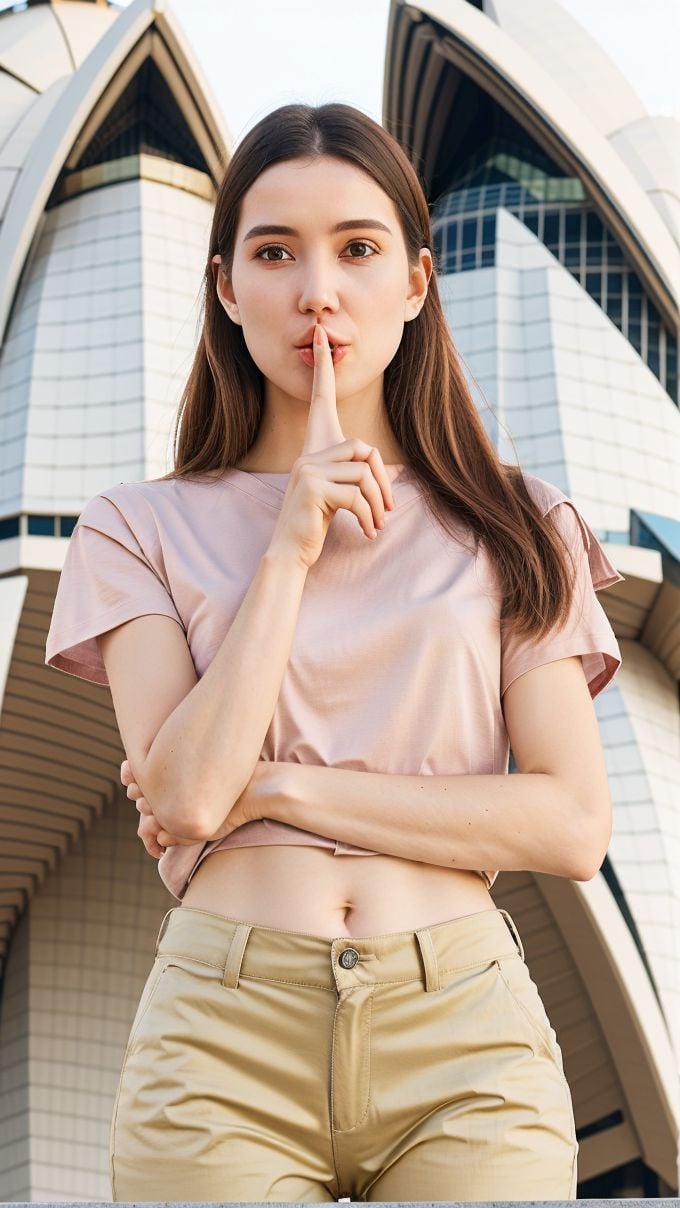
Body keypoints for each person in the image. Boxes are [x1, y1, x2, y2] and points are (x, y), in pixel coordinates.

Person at [44, 101, 624, 1203]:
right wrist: (290, 546)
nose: (317, 289)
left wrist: (285, 785)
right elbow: (185, 790)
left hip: (460, 1029)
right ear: (226, 288)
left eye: (356, 249)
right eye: (275, 252)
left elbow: (569, 822)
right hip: (223, 1034)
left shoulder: (515, 522)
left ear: (412, 283)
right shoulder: (134, 527)